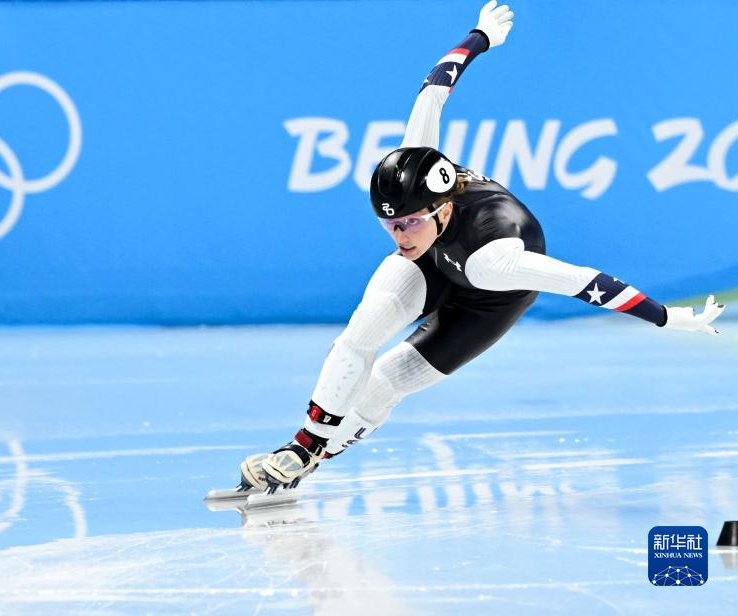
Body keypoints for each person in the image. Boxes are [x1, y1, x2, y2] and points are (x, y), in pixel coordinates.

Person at [238, 1, 727, 494]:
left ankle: (320, 454)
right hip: (438, 260)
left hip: (486, 299)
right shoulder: (419, 172)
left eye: (408, 223)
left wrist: (667, 317)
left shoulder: (495, 260)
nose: (398, 235)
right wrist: (480, 37)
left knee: (387, 380)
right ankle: (300, 447)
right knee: (359, 334)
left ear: (442, 210)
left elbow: (584, 281)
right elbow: (435, 89)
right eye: (388, 226)